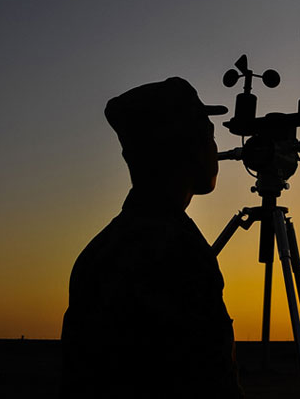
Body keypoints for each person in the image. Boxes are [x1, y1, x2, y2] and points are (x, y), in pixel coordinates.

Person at [61, 77, 243, 398]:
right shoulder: (176, 254)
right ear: (186, 149)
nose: (215, 147)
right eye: (208, 135)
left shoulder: (102, 249)